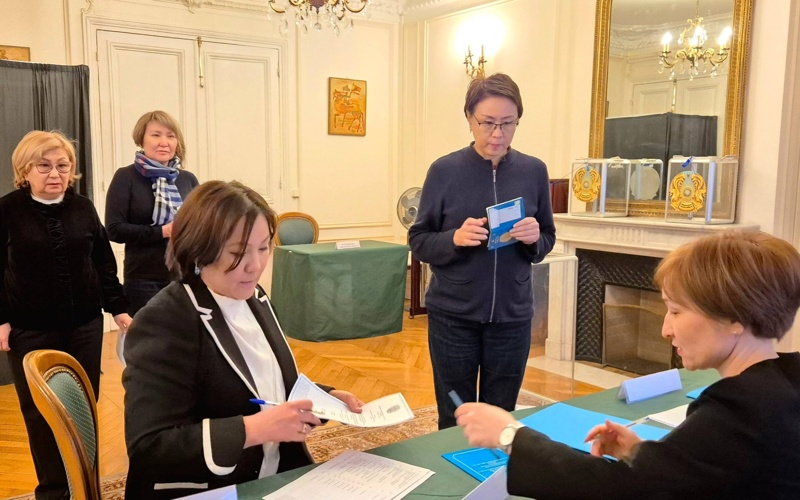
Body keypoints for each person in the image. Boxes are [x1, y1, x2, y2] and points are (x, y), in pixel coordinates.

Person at [456, 230, 800, 500]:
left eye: (676, 311)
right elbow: (691, 473)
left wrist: (511, 436)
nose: (666, 330)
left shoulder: (738, 411)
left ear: (735, 318)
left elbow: (619, 489)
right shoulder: (783, 382)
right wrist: (638, 452)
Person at [122, 180, 364, 499]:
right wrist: (255, 429)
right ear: (200, 249)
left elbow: (261, 387)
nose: (256, 266)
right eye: (238, 253)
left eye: (263, 248)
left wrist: (324, 399)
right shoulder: (165, 320)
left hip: (272, 478)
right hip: (210, 490)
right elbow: (150, 446)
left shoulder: (255, 298)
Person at [408, 73, 556, 429]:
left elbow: (546, 239)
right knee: (455, 415)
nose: (497, 134)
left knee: (500, 417)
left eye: (508, 123)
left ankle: (495, 468)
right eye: (488, 122)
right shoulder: (444, 171)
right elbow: (419, 240)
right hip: (453, 317)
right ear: (469, 118)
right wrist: (454, 239)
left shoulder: (534, 171)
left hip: (512, 317)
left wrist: (534, 238)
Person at [0, 130, 131, 499]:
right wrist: (1, 320)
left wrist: (118, 308)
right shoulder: (7, 210)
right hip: (30, 329)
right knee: (40, 413)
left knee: (83, 409)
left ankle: (85, 485)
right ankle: (54, 491)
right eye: (44, 166)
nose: (55, 173)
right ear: (25, 170)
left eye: (63, 165)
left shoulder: (83, 207)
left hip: (84, 327)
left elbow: (103, 262)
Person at [105, 110, 199, 316]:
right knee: (148, 336)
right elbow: (114, 229)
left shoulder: (188, 179)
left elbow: (200, 222)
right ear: (141, 139)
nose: (164, 142)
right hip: (143, 280)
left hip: (185, 276)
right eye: (156, 135)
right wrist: (163, 231)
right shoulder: (126, 177)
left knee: (182, 335)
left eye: (170, 136)